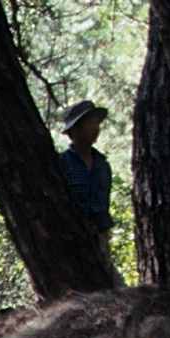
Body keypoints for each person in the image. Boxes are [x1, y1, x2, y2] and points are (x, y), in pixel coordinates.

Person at [55, 100, 114, 239]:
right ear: (74, 130)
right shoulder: (62, 163)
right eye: (90, 123)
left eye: (97, 123)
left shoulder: (102, 165)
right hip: (71, 237)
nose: (96, 128)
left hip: (100, 236)